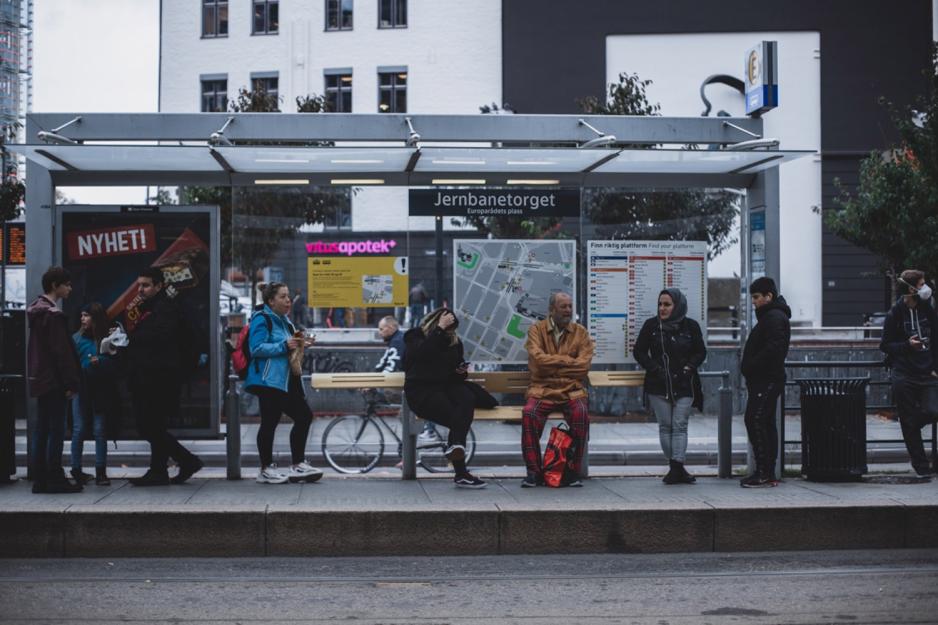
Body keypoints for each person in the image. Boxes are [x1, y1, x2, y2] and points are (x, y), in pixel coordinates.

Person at [126, 267, 204, 486]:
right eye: (139, 285)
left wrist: (129, 341)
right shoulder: (154, 307)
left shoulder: (164, 309)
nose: (141, 289)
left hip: (157, 379)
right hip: (154, 377)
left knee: (148, 426)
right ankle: (159, 470)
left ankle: (185, 460)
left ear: (159, 286)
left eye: (146, 285)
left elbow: (157, 340)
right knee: (154, 426)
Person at [245, 282, 324, 485]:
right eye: (283, 297)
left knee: (304, 416)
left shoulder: (285, 322)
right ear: (271, 301)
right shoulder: (262, 319)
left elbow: (288, 346)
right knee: (270, 422)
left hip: (287, 379)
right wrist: (284, 345)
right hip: (269, 380)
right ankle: (266, 468)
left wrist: (301, 342)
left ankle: (298, 465)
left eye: (288, 296)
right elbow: (256, 348)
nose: (288, 300)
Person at [403, 308, 491, 488]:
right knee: (457, 416)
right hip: (421, 392)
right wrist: (440, 330)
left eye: (452, 328)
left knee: (467, 397)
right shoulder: (415, 336)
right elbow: (421, 356)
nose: (451, 332)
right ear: (437, 322)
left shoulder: (454, 342)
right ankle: (461, 472)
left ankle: (457, 451)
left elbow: (453, 375)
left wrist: (460, 372)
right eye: (448, 327)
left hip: (444, 388)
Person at [633, 288, 706, 485]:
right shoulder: (651, 326)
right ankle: (678, 469)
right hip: (659, 384)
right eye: (660, 304)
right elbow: (639, 352)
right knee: (666, 426)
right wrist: (655, 368)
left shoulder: (691, 326)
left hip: (684, 382)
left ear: (678, 306)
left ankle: (675, 469)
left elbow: (700, 352)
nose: (662, 308)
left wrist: (689, 367)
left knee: (680, 425)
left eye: (667, 304)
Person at [521, 291, 594, 488]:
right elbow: (538, 363)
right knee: (529, 413)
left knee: (581, 414)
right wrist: (568, 361)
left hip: (572, 390)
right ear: (552, 309)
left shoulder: (581, 333)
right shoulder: (536, 330)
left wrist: (552, 365)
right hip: (542, 389)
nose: (568, 310)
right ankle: (534, 473)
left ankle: (571, 472)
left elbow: (583, 366)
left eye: (570, 306)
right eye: (564, 307)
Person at [26, 267, 83, 494]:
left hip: (42, 378)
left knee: (42, 428)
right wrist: (71, 383)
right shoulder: (53, 316)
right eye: (67, 284)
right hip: (56, 380)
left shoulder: (37, 313)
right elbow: (62, 354)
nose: (70, 288)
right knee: (56, 429)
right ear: (54, 285)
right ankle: (55, 477)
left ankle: (40, 478)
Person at [880, 269, 938, 477]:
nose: (926, 288)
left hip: (927, 372)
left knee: (932, 410)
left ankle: (913, 421)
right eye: (921, 284)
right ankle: (921, 466)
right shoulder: (895, 314)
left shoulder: (928, 310)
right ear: (911, 289)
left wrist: (935, 368)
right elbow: (885, 345)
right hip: (903, 373)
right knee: (907, 420)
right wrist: (906, 345)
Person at [739, 276, 791, 488]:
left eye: (757, 297)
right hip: (765, 379)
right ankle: (766, 471)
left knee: (756, 420)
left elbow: (774, 349)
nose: (753, 302)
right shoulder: (771, 316)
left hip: (766, 379)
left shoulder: (774, 318)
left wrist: (751, 365)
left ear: (769, 296)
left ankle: (763, 472)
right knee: (763, 422)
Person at [70, 303, 119, 486]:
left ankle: (100, 471)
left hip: (99, 388)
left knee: (99, 430)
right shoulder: (76, 338)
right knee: (79, 429)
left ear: (95, 318)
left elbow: (115, 364)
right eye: (81, 315)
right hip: (82, 387)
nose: (82, 319)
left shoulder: (106, 339)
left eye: (86, 315)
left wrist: (101, 362)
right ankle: (77, 469)